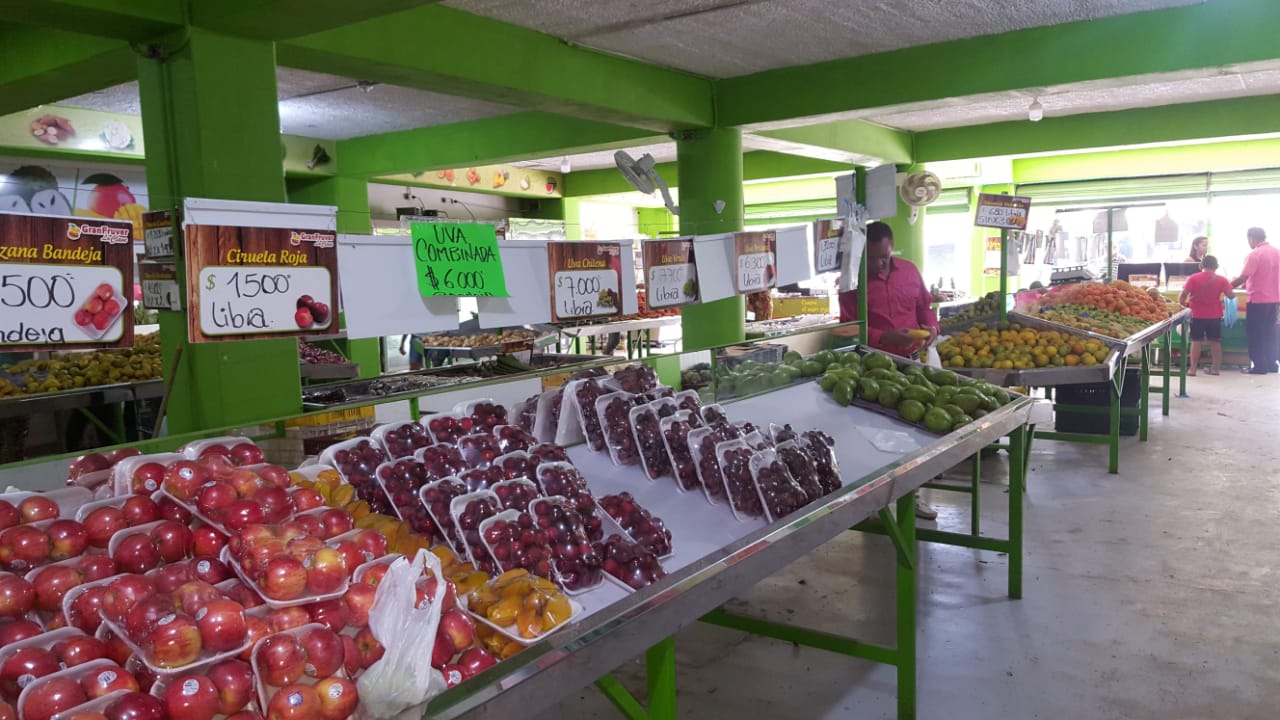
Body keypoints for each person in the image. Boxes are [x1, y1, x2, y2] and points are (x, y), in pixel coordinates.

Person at [839, 221, 940, 519]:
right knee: (873, 434)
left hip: (912, 362)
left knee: (915, 429)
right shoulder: (850, 283)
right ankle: (875, 501)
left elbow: (925, 307)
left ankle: (914, 495)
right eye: (871, 258)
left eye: (883, 257)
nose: (878, 264)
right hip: (873, 367)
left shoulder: (909, 271)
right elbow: (848, 328)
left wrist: (931, 327)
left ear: (892, 247)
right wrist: (883, 337)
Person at [1230, 227, 1280, 374]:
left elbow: (1243, 277)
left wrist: (1226, 286)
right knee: (1270, 332)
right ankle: (1272, 364)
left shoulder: (1255, 254)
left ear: (1251, 238)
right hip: (1275, 299)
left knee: (1255, 333)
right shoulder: (1277, 252)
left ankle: (1259, 366)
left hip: (1258, 299)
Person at [1178, 255, 1234, 376]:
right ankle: (1215, 369)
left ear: (1201, 265)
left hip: (1197, 314)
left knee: (1196, 340)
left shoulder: (1193, 278)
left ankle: (1192, 369)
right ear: (1216, 267)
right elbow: (1231, 296)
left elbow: (1183, 295)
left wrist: (1183, 306)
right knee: (1215, 341)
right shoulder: (1222, 280)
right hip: (1215, 315)